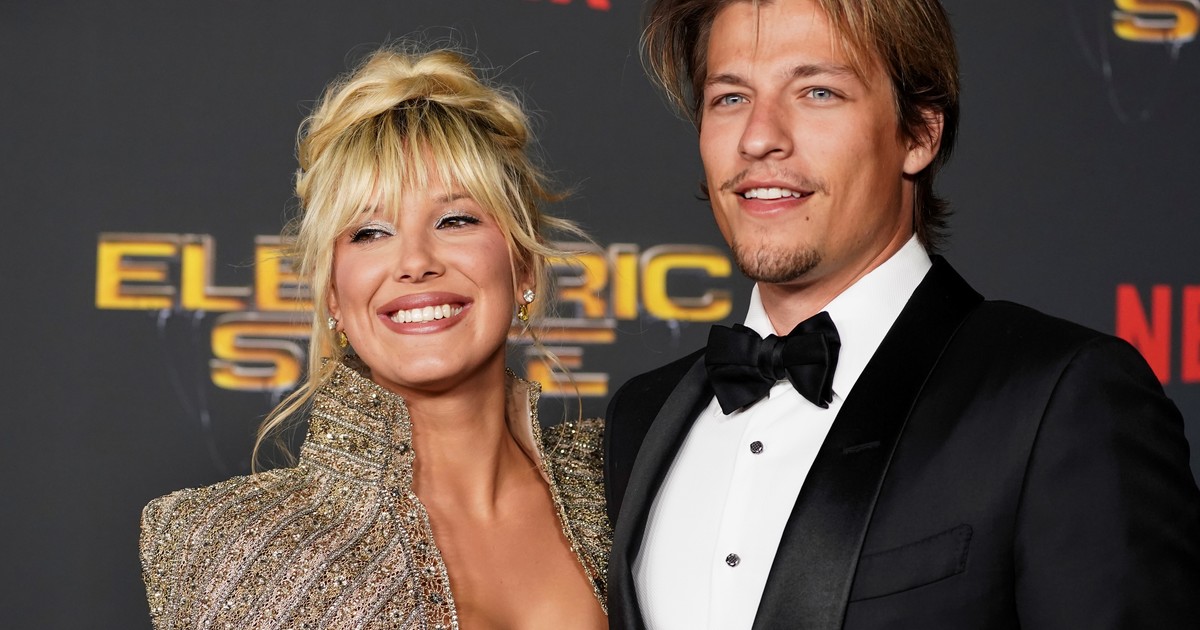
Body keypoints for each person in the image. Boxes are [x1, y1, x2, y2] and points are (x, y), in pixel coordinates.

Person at [604, 0, 1200, 628]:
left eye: (817, 92)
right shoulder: (640, 417)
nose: (758, 137)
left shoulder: (1059, 398)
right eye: (730, 98)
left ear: (919, 134)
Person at [139, 46, 609, 629]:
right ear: (333, 295)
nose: (414, 262)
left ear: (523, 268)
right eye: (369, 232)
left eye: (455, 219)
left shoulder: (626, 484)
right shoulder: (227, 548)